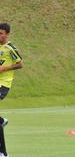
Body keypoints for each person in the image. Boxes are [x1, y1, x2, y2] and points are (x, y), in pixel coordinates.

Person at [0, 23, 23, 157]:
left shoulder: (10, 48)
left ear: (7, 34)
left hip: (3, 84)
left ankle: (2, 153)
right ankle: (1, 121)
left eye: (1, 33)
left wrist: (4, 69)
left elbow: (20, 64)